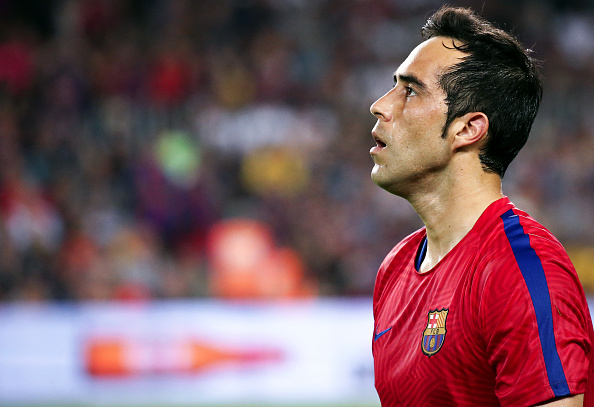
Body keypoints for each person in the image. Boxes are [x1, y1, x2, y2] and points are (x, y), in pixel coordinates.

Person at [369, 5, 594, 407]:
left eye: (411, 89)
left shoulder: (520, 269)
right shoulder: (396, 268)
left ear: (468, 129)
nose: (381, 105)